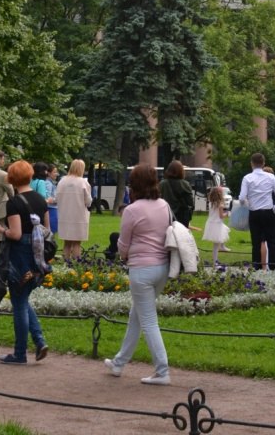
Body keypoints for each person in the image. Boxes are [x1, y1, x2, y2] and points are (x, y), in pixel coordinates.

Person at [103, 163, 172, 386]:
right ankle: (119, 362)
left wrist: (124, 254)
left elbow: (123, 244)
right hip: (162, 268)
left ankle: (162, 371)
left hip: (141, 269)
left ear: (135, 184)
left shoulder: (132, 210)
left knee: (149, 321)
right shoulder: (164, 205)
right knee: (137, 316)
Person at [0, 160, 49, 365]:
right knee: (22, 299)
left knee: (19, 303)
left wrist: (1, 229)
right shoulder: (40, 199)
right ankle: (39, 341)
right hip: (37, 255)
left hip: (20, 255)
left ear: (11, 178)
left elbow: (16, 233)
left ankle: (20, 353)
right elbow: (46, 229)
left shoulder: (14, 203)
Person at [238, 152, 275, 271]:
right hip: (269, 212)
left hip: (254, 213)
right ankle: (274, 267)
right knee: (272, 242)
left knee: (256, 242)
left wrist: (247, 204)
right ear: (263, 163)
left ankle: (257, 266)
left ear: (251, 164)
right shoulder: (270, 177)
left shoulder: (247, 178)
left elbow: (242, 197)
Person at [55, 158, 92, 261]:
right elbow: (88, 201)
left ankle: (65, 265)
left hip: (65, 216)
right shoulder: (83, 182)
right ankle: (76, 265)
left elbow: (57, 198)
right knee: (77, 243)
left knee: (66, 243)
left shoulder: (62, 181)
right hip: (78, 217)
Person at [160, 161, 195, 228]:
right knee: (180, 236)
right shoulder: (185, 184)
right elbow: (190, 203)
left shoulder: (162, 184)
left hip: (165, 214)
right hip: (181, 216)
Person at [202, 185, 230, 266]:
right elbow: (221, 216)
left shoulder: (211, 203)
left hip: (211, 223)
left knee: (225, 231)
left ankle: (222, 246)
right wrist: (227, 214)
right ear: (219, 194)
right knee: (216, 245)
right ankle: (215, 261)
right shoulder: (220, 204)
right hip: (217, 224)